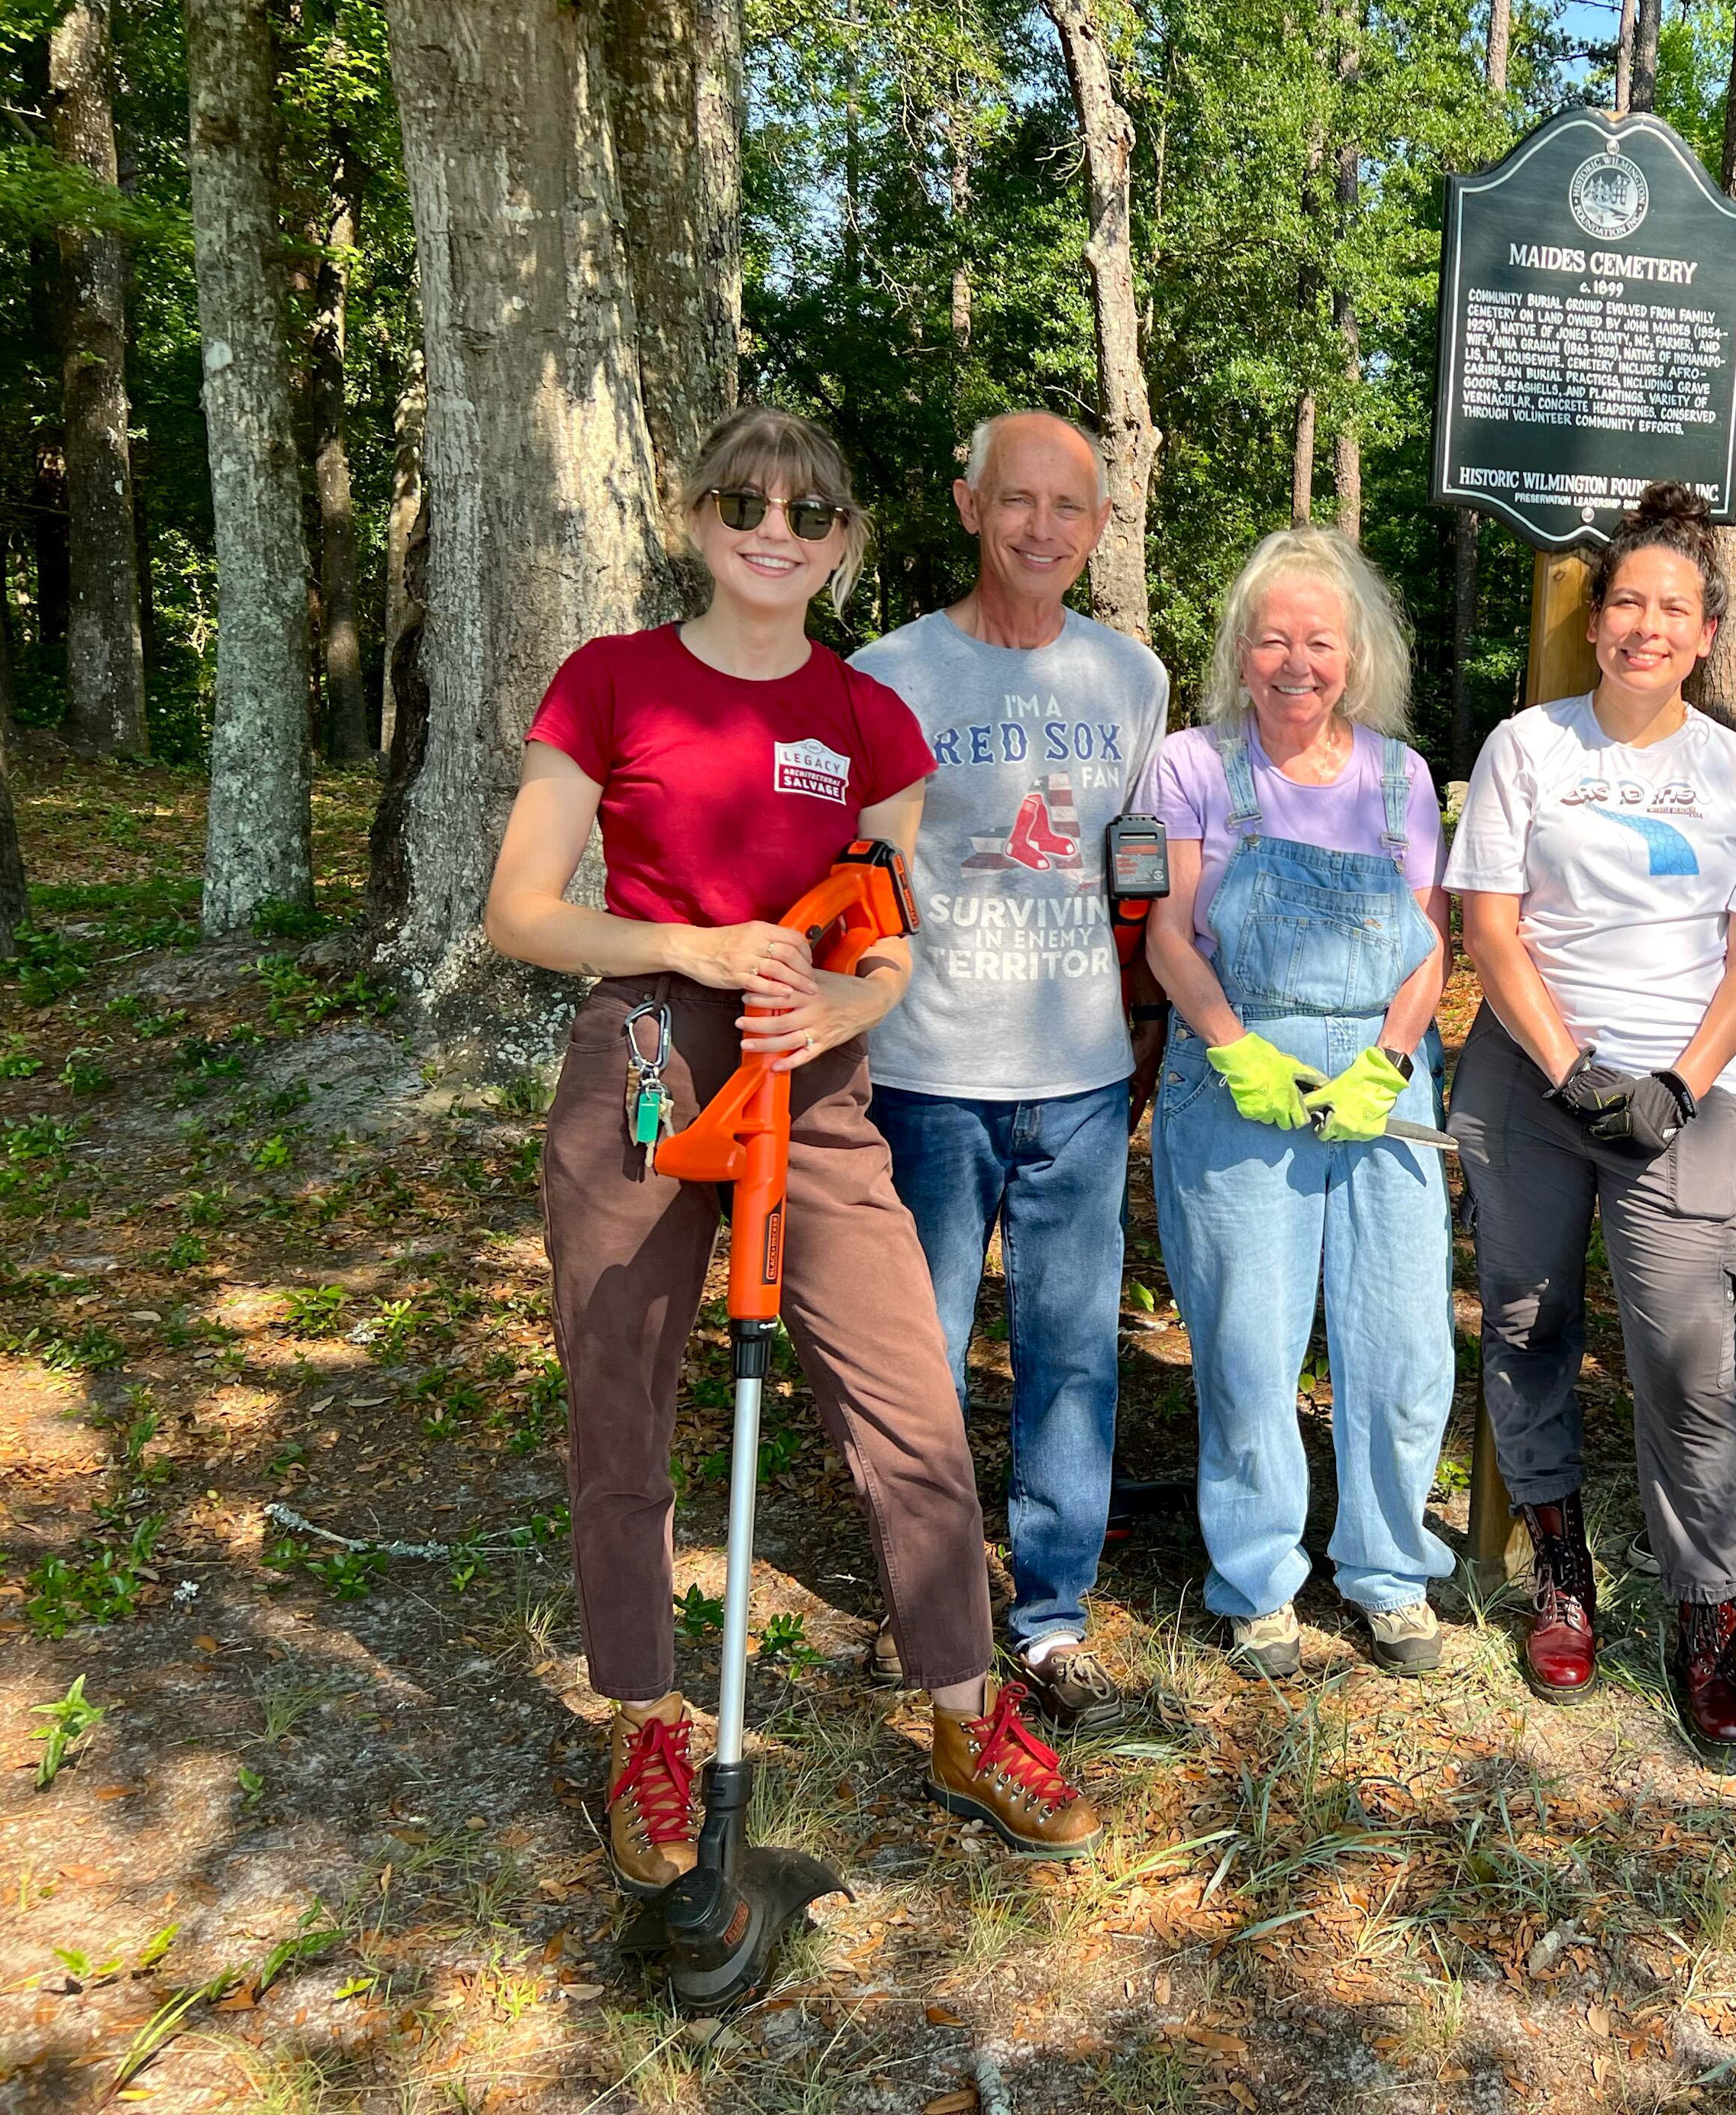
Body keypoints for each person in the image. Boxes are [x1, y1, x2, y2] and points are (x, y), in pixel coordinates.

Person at [484, 406, 1095, 1892]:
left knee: (905, 1392)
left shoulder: (867, 717)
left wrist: (839, 992)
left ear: (844, 541)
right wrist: (687, 940)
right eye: (743, 500)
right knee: (617, 1395)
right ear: (691, 516)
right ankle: (642, 1719)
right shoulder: (611, 680)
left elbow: (889, 933)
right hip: (644, 1056)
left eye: (810, 510)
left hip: (810, 1081)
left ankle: (963, 1707)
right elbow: (520, 908)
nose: (776, 527)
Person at [1447, 482, 1736, 1749]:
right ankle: (1562, 1569)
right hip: (1533, 1080)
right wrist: (1577, 1069)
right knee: (1530, 1320)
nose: (1647, 626)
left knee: (1686, 1362)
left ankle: (1706, 1617)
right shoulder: (1526, 748)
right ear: (1597, 621)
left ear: (1706, 631)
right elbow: (1490, 926)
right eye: (1627, 603)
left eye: (1674, 608)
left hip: (1684, 1093)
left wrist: (1675, 1085)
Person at [852, 411, 1168, 1735]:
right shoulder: (889, 673)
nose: (1043, 527)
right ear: (970, 503)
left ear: (1098, 528)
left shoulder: (1131, 678)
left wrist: (1144, 1014)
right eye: (1018, 500)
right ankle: (925, 1605)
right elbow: (861, 883)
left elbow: (1137, 861)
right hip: (926, 1066)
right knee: (916, 1351)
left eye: (1070, 508)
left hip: (1083, 1072)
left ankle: (1049, 1618)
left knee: (1072, 1352)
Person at [1138, 528, 1456, 1681]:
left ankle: (1386, 1567)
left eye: (1319, 639)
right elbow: (1168, 930)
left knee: (1403, 1335)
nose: (1295, 660)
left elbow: (1427, 942)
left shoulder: (1401, 777)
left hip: (1380, 1080)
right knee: (1245, 1336)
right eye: (1272, 636)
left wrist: (1391, 1057)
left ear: (1355, 653)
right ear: (1241, 647)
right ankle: (1259, 1579)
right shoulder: (1190, 766)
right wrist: (1234, 1049)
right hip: (1238, 1077)